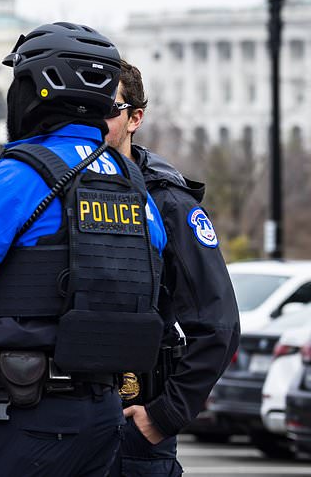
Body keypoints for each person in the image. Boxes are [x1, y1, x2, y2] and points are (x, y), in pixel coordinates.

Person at [0, 22, 169, 477]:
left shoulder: (18, 177)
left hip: (21, 416)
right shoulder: (135, 189)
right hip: (102, 418)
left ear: (34, 91)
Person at [106, 62, 240, 477]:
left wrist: (164, 416)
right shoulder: (54, 190)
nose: (92, 122)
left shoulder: (166, 201)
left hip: (131, 424)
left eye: (108, 109)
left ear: (135, 118)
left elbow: (219, 324)